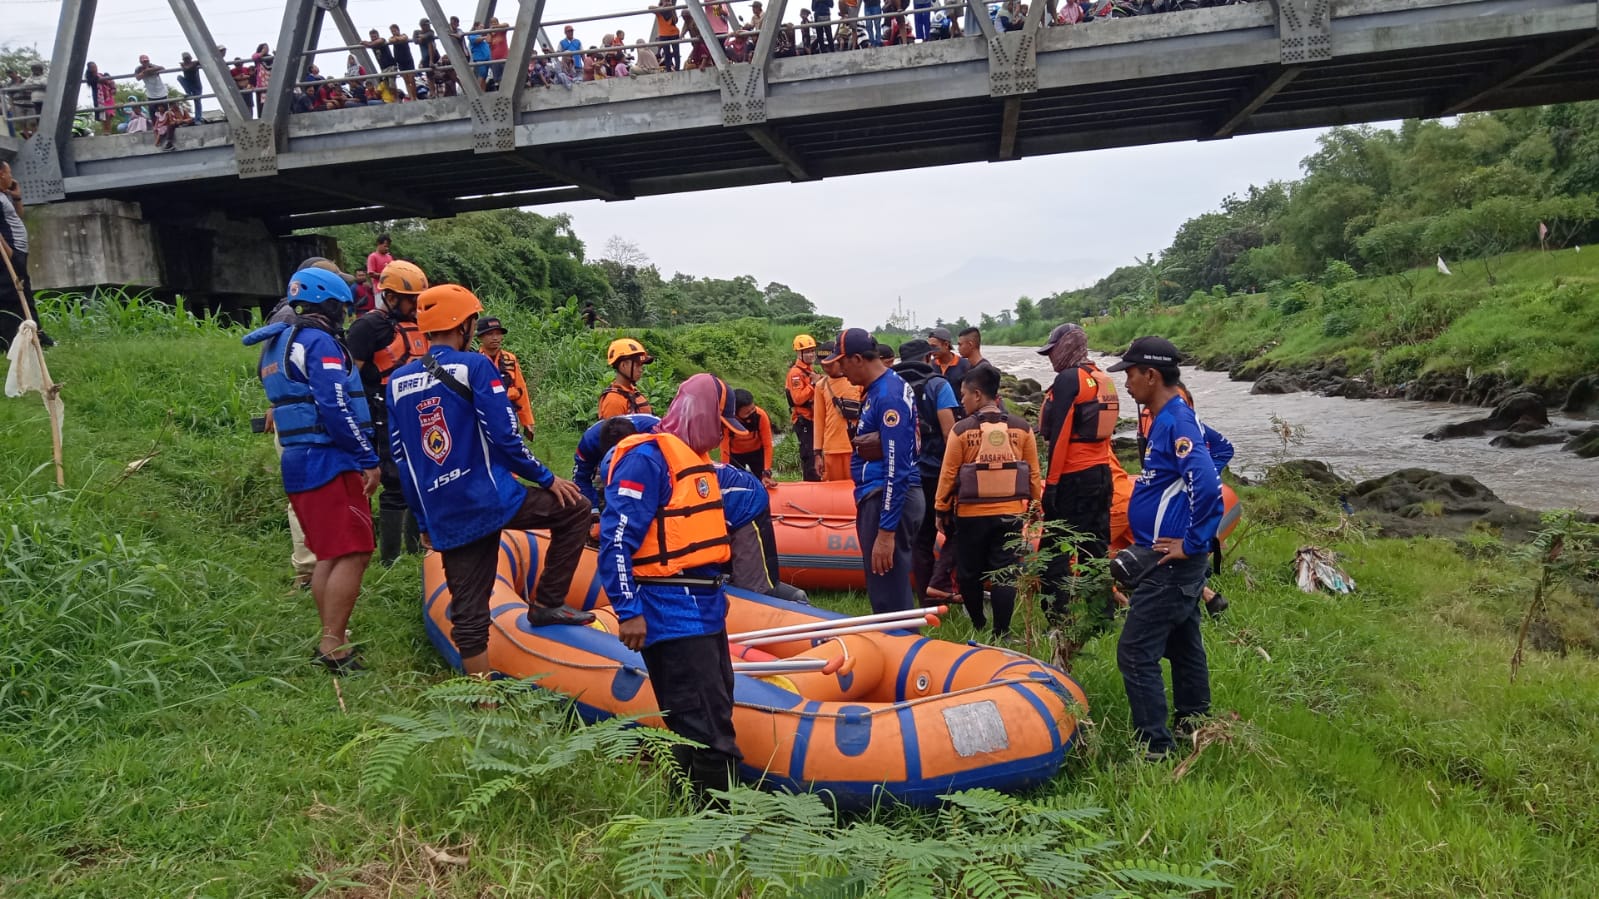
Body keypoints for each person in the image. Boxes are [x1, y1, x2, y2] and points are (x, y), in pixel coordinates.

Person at [389, 285, 596, 681]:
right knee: (577, 509)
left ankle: (480, 695)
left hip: (444, 509)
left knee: (469, 607)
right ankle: (548, 603)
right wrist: (546, 478)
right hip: (492, 498)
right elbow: (504, 437)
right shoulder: (476, 366)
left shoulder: (397, 382)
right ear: (465, 325)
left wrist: (423, 521)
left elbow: (404, 459)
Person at [598, 373, 746, 804]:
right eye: (721, 424)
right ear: (702, 415)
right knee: (708, 726)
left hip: (704, 607)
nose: (722, 435)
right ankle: (716, 824)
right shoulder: (647, 459)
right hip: (669, 611)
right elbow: (616, 537)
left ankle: (687, 805)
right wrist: (627, 609)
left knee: (707, 711)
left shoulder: (693, 458)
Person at [241, 268, 379, 672]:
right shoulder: (320, 344)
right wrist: (366, 457)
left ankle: (330, 636)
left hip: (298, 461)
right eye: (342, 309)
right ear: (331, 304)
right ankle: (333, 645)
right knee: (354, 552)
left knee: (328, 554)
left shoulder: (277, 344)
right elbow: (335, 406)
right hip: (328, 460)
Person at [1107, 337, 1223, 761]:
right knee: (1184, 640)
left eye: (1131, 374)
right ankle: (1195, 719)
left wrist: (1192, 539)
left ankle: (1155, 747)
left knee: (1136, 652)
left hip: (1171, 562)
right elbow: (1221, 449)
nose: (1127, 383)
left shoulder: (1177, 421)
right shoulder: (1172, 417)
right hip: (1174, 560)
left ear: (1151, 375)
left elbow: (1207, 482)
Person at [935, 364, 1042, 641]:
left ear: (979, 395)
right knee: (1005, 571)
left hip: (971, 514)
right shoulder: (1023, 428)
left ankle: (980, 624)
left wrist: (940, 507)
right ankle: (1002, 632)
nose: (962, 401)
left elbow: (948, 474)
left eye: (964, 395)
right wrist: (1035, 505)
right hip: (1012, 512)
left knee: (969, 572)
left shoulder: (960, 431)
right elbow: (1033, 472)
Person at [829, 328, 924, 613]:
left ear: (857, 359)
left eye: (843, 363)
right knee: (886, 586)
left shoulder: (889, 396)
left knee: (888, 592)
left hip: (887, 495)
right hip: (881, 494)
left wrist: (886, 531)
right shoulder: (879, 389)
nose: (841, 371)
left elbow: (897, 466)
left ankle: (901, 649)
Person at [345, 259, 429, 567]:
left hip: (418, 411)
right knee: (394, 481)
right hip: (381, 410)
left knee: (419, 478)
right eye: (413, 300)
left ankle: (416, 548)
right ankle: (391, 559)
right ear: (391, 297)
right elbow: (349, 377)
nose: (418, 306)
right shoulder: (368, 327)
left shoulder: (422, 326)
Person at [1036, 322, 1119, 621]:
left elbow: (1059, 438)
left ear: (1067, 346)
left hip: (1073, 477)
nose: (1050, 359)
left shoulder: (1069, 380)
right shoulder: (1103, 379)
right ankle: (1102, 615)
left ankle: (1057, 617)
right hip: (1101, 475)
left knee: (1053, 547)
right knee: (1095, 546)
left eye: (1052, 351)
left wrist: (1052, 485)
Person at [1136, 380, 1234, 618]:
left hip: (1181, 503)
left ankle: (1203, 593)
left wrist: (1196, 476)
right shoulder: (1156, 421)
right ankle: (1201, 598)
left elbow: (1223, 449)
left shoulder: (1179, 422)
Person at [892, 338, 959, 601]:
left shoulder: (893, 388)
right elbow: (949, 434)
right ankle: (943, 585)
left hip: (905, 472)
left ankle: (925, 598)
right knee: (954, 531)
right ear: (927, 358)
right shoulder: (939, 386)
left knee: (920, 539)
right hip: (936, 473)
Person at [575, 413, 661, 507]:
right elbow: (581, 478)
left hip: (648, 451)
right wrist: (592, 510)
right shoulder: (589, 442)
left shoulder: (656, 432)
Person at [475, 317, 535, 441]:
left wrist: (527, 422)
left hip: (508, 415)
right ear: (480, 337)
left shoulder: (510, 359)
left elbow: (521, 390)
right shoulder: (474, 360)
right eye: (490, 334)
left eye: (498, 334)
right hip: (483, 416)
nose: (495, 338)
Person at [811, 342, 862, 481]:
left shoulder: (857, 381)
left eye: (829, 364)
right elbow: (819, 421)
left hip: (856, 447)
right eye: (822, 365)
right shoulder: (821, 386)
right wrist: (817, 453)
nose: (825, 368)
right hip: (831, 449)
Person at [720, 389, 775, 487]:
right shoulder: (728, 421)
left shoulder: (761, 416)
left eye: (753, 409)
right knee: (735, 484)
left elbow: (767, 445)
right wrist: (726, 472)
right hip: (735, 456)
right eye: (747, 412)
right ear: (736, 413)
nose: (751, 413)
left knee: (762, 483)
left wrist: (767, 472)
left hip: (757, 453)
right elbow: (725, 449)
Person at [786, 334, 821, 482]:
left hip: (813, 418)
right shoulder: (796, 373)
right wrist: (813, 385)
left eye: (812, 350)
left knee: (817, 453)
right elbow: (798, 398)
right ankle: (811, 486)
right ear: (799, 353)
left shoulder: (810, 370)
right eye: (807, 351)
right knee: (809, 457)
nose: (811, 354)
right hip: (804, 420)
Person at [599, 338, 654, 418]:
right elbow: (614, 430)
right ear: (623, 365)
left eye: (641, 366)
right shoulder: (613, 401)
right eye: (637, 365)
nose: (641, 370)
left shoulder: (632, 392)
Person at [927, 326, 969, 394]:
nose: (931, 350)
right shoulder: (930, 366)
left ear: (946, 345)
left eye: (934, 346)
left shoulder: (965, 365)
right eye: (929, 347)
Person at [85, 63, 118, 135]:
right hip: (100, 98)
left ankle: (108, 131)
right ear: (90, 69)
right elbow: (100, 81)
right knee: (104, 114)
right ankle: (105, 131)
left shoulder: (101, 74)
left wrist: (113, 87)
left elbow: (110, 82)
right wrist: (106, 79)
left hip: (108, 96)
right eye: (93, 67)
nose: (95, 68)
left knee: (110, 115)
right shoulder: (91, 77)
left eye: (95, 66)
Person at [176, 53, 203, 122]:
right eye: (185, 59)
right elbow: (186, 68)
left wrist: (192, 65)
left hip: (197, 86)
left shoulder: (194, 63)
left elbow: (201, 61)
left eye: (188, 58)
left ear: (191, 58)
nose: (187, 60)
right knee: (179, 77)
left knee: (197, 101)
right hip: (189, 85)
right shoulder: (184, 65)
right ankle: (188, 93)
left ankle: (198, 119)